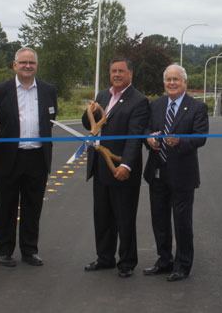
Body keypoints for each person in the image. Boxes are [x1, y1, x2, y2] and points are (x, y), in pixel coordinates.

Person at [0, 47, 58, 267]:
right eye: (23, 62)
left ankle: (30, 250)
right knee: (6, 205)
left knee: (33, 205)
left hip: (37, 157)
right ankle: (3, 250)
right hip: (8, 157)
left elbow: (51, 118)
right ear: (14, 65)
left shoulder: (48, 90)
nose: (27, 66)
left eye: (32, 63)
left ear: (36, 66)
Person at [82, 57, 149, 278]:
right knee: (102, 216)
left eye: (121, 71)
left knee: (124, 217)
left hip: (120, 167)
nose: (117, 75)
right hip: (100, 165)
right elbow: (89, 125)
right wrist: (88, 111)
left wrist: (127, 165)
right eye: (113, 71)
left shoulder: (138, 101)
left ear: (130, 74)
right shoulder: (103, 95)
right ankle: (105, 258)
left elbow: (134, 137)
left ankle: (127, 262)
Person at [143, 64, 209, 282]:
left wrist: (180, 140)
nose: (172, 83)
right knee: (159, 220)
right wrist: (149, 138)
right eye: (168, 80)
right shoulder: (156, 105)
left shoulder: (197, 107)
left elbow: (201, 137)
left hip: (183, 175)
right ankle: (164, 260)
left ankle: (183, 265)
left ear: (185, 83)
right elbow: (146, 129)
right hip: (157, 172)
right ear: (164, 83)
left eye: (176, 80)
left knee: (182, 222)